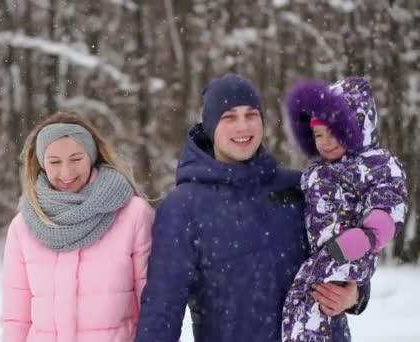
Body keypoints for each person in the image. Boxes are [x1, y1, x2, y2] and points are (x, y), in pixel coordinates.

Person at [135, 74, 369, 342]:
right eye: (229, 117)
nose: (243, 126)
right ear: (210, 126)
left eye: (251, 114)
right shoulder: (183, 207)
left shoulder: (300, 187)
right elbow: (162, 309)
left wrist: (356, 294)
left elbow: (349, 254)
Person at [0, 111, 155, 342]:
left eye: (76, 159)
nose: (66, 172)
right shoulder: (23, 226)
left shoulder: (133, 214)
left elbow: (152, 304)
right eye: (54, 162)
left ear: (91, 156)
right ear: (42, 163)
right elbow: (16, 318)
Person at [281, 77, 408, 342]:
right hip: (324, 254)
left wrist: (368, 235)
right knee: (311, 305)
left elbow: (390, 203)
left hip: (352, 251)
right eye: (318, 134)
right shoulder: (315, 171)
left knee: (307, 294)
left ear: (356, 127)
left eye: (334, 132)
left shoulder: (378, 164)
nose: (326, 143)